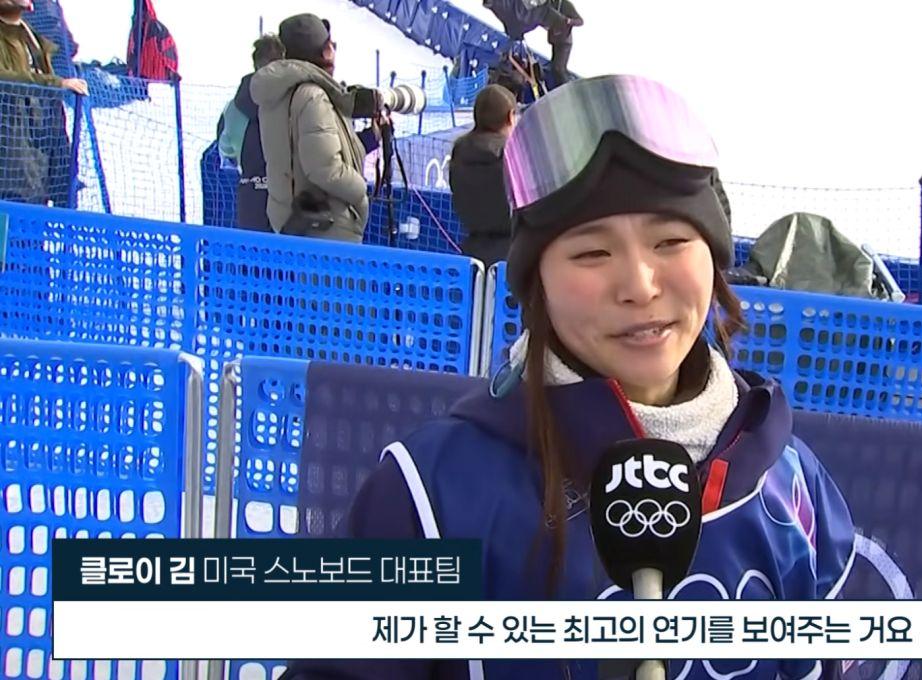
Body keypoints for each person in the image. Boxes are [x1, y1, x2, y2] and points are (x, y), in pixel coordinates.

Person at [280, 74, 858, 680]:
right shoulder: (432, 495)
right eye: (592, 253)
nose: (639, 285)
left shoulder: (791, 484)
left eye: (670, 241)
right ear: (539, 284)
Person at [251, 14, 377, 242]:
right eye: (331, 45)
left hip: (293, 221)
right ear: (325, 52)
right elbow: (325, 167)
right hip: (328, 226)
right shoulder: (313, 95)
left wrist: (372, 136)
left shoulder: (277, 94)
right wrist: (360, 192)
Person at [0, 0, 85, 207]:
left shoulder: (35, 40)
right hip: (9, 177)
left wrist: (63, 178)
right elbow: (6, 79)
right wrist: (55, 83)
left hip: (38, 175)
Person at [216, 34, 285, 231]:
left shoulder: (234, 108)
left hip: (250, 194)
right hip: (286, 195)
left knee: (253, 248)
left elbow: (225, 148)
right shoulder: (292, 102)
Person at [449, 84, 517, 266]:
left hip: (471, 254)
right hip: (512, 257)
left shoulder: (459, 151)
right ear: (510, 116)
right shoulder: (513, 154)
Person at [545, 0, 582, 89]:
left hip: (564, 43)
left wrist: (569, 21)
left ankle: (566, 89)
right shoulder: (549, 3)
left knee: (559, 69)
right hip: (555, 40)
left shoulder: (566, 4)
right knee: (554, 67)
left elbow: (580, 21)